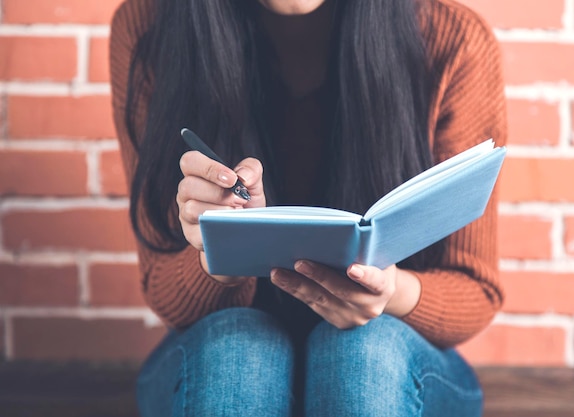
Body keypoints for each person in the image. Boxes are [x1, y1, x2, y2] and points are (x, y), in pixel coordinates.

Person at [109, 0, 507, 415]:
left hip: (390, 359)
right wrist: (219, 254)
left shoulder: (452, 41)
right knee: (239, 352)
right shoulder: (152, 26)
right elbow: (162, 288)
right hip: (221, 354)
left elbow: (474, 290)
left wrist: (388, 292)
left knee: (359, 352)